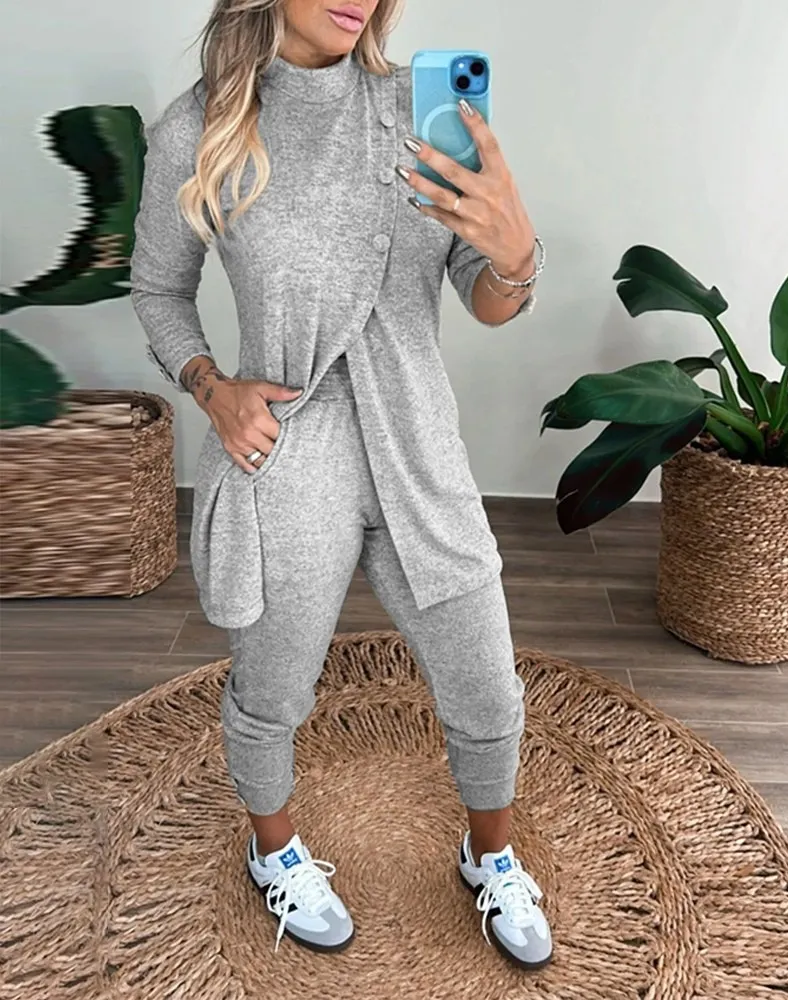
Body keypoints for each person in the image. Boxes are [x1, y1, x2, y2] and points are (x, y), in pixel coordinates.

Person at [130, 0, 552, 971]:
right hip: (290, 449)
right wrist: (212, 387)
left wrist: (515, 255)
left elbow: (485, 298)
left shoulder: (419, 108)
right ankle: (271, 848)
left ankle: (488, 857)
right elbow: (158, 287)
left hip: (416, 438)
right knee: (273, 687)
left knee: (486, 680)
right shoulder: (199, 125)